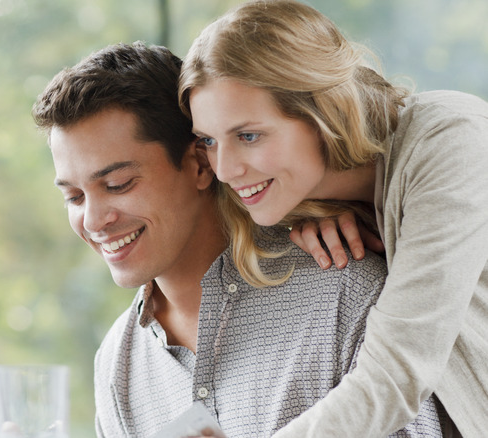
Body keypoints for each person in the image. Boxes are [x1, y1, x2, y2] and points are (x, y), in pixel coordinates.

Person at [33, 41, 446, 437]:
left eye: (119, 184)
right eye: (73, 196)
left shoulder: (341, 292)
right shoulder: (116, 365)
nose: (94, 220)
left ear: (199, 164)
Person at [179, 1, 488, 436]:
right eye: (208, 141)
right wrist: (306, 216)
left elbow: (395, 377)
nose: (226, 169)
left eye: (249, 136)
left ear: (324, 110)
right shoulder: (305, 204)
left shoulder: (452, 141)